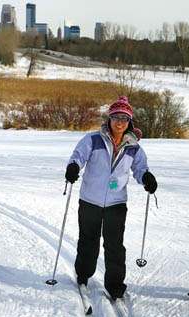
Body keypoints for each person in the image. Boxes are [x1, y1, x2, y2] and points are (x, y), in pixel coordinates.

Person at [65, 96, 157, 301]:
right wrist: (73, 167)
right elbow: (78, 156)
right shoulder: (93, 139)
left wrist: (147, 178)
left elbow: (140, 169)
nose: (119, 122)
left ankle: (115, 285)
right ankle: (83, 275)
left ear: (129, 122)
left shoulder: (134, 148)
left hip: (116, 203)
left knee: (115, 245)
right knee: (88, 241)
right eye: (115, 117)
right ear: (109, 119)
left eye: (124, 118)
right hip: (90, 200)